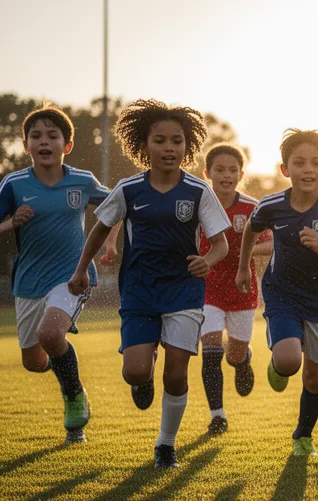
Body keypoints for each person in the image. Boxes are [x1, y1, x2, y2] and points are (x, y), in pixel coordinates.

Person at [69, 99, 231, 468]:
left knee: (176, 374)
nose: (169, 148)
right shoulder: (129, 190)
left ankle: (165, 445)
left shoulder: (198, 191)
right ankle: (146, 367)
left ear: (187, 146)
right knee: (136, 372)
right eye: (160, 140)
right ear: (144, 146)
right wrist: (80, 269)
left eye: (177, 141)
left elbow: (220, 243)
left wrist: (206, 261)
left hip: (184, 291)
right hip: (140, 291)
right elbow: (100, 229)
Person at [0, 103, 116, 444]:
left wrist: (110, 243)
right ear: (26, 145)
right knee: (33, 361)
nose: (44, 141)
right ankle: (67, 374)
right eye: (36, 135)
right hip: (28, 282)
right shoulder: (14, 184)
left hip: (72, 276)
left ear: (66, 145)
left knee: (51, 333)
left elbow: (117, 207)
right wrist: (10, 224)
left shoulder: (82, 181)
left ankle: (74, 395)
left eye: (52, 135)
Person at [236, 129, 318, 457]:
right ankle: (279, 364)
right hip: (282, 295)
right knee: (290, 361)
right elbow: (251, 230)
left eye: (316, 163)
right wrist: (243, 266)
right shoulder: (271, 205)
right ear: (285, 169)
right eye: (300, 162)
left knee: (314, 378)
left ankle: (303, 435)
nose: (309, 169)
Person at [198, 143, 273, 435]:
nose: (226, 175)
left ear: (241, 174)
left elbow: (271, 242)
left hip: (242, 289)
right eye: (219, 170)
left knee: (234, 355)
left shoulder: (252, 208)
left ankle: (243, 360)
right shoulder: (198, 205)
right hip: (206, 289)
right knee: (211, 349)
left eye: (232, 170)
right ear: (208, 173)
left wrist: (245, 253)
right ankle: (217, 415)